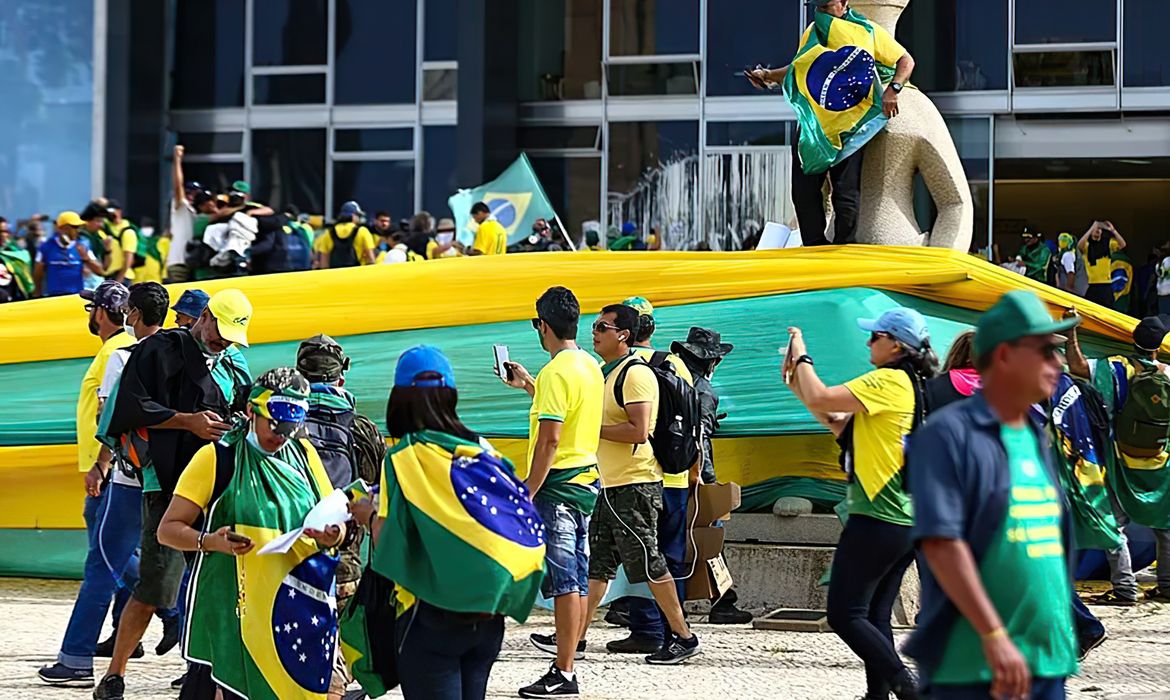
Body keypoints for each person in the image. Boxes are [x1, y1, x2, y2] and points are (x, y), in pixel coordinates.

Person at [905, 290, 1080, 699]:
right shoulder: (948, 436)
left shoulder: (1035, 436)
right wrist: (994, 634)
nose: (1057, 364)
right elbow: (942, 544)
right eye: (1044, 351)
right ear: (1003, 356)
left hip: (1047, 658)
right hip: (974, 664)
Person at [348, 345, 545, 700]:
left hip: (429, 617)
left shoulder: (403, 457)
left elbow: (386, 538)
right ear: (451, 394)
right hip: (488, 617)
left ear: (400, 398)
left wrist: (364, 513)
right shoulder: (484, 451)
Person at [93, 289, 253, 700]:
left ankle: (204, 671)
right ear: (205, 317)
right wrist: (187, 422)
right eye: (221, 332)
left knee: (217, 584)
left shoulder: (233, 366)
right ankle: (114, 674)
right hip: (167, 484)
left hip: (216, 486)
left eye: (233, 338)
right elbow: (130, 406)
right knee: (156, 584)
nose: (224, 342)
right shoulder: (160, 349)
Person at [156, 368, 345, 700]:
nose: (280, 437)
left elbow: (333, 519)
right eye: (273, 426)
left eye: (289, 429)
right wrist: (210, 541)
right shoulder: (217, 458)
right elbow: (167, 530)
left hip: (292, 609)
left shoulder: (305, 456)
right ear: (250, 412)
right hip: (234, 611)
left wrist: (334, 534)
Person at [783, 307, 937, 699]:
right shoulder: (909, 384)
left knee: (844, 614)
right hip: (905, 518)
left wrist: (802, 354)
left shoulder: (887, 380)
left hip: (878, 516)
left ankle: (906, 685)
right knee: (874, 615)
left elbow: (821, 395)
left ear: (896, 344)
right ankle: (878, 693)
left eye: (875, 336)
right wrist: (794, 380)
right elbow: (832, 416)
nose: (868, 342)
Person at [578, 304, 701, 665]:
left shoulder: (635, 374)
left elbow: (639, 429)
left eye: (602, 326)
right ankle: (576, 637)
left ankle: (683, 636)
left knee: (650, 562)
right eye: (595, 325)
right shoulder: (606, 372)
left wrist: (589, 430)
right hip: (611, 484)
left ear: (623, 335)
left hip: (636, 485)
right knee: (598, 564)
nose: (595, 331)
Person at [500, 287, 603, 698]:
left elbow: (550, 441)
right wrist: (529, 384)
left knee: (564, 583)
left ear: (542, 325)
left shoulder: (556, 373)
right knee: (575, 577)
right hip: (586, 481)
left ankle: (563, 671)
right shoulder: (588, 365)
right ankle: (566, 661)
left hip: (557, 486)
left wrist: (528, 488)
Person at [748, 0, 914, 246]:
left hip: (850, 124)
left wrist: (894, 89)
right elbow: (801, 68)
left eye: (826, 7)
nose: (822, 13)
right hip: (815, 124)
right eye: (820, 8)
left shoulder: (868, 31)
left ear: (843, 2)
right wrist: (768, 76)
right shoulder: (812, 32)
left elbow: (906, 61)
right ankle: (814, 246)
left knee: (845, 192)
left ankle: (843, 248)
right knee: (803, 191)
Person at [34, 281, 134, 686]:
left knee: (103, 562)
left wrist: (100, 465)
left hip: (108, 471)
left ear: (105, 312)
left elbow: (108, 419)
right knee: (120, 556)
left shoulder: (115, 353)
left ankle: (75, 659)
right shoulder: (114, 350)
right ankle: (156, 615)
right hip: (107, 470)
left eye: (92, 307)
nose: (89, 314)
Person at [295, 334, 387, 700]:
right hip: (345, 553)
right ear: (341, 378)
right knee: (340, 632)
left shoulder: (284, 420)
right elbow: (377, 493)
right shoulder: (360, 427)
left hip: (290, 544)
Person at [1066, 316, 1170, 606]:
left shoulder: (1115, 369)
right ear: (1159, 346)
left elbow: (1077, 367)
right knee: (1166, 525)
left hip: (1119, 460)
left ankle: (1125, 589)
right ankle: (1167, 585)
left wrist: (1071, 332)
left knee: (1116, 525)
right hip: (1160, 461)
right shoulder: (1168, 373)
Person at [671, 326, 754, 625]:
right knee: (711, 538)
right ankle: (723, 601)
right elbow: (700, 436)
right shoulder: (704, 391)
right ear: (712, 362)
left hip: (667, 473)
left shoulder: (672, 381)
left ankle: (632, 602)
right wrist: (705, 478)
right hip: (695, 475)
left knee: (669, 540)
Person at [34, 212, 105, 297]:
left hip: (76, 296)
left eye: (79, 227)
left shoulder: (83, 245)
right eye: (75, 227)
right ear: (63, 228)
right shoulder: (46, 246)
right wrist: (38, 294)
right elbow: (38, 273)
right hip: (53, 297)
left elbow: (100, 271)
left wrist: (86, 258)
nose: (78, 230)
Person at [1078, 220, 1126, 307]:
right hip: (1092, 285)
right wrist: (1091, 228)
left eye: (1100, 229)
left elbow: (1122, 244)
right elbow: (1079, 245)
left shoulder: (1107, 243)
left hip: (1106, 284)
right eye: (1095, 229)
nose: (1097, 230)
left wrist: (1113, 231)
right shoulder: (1087, 246)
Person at [315, 201, 376, 268]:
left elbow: (324, 262)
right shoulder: (362, 231)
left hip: (335, 275)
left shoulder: (329, 232)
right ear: (353, 216)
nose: (359, 218)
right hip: (356, 274)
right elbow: (371, 259)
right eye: (358, 215)